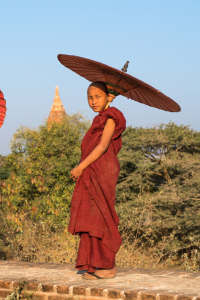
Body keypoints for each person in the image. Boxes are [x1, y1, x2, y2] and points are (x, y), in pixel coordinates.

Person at [68, 81, 126, 280]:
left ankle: (107, 266)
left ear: (108, 97)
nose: (93, 101)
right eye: (89, 97)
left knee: (102, 216)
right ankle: (93, 265)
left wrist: (80, 167)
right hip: (93, 171)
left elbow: (102, 147)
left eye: (97, 97)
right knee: (91, 218)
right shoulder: (99, 118)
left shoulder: (111, 116)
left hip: (103, 171)